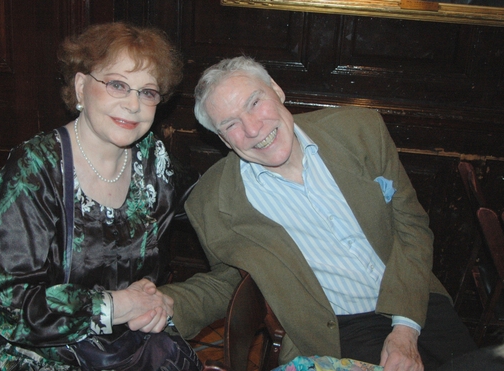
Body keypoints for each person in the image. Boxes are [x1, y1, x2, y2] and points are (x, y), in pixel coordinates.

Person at [159, 56, 477, 371]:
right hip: (337, 330)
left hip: (414, 298)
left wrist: (405, 329)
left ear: (277, 90)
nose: (253, 129)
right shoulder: (211, 202)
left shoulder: (360, 132)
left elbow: (413, 228)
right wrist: (167, 305)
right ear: (221, 138)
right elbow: (233, 282)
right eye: (230, 124)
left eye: (255, 103)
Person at [0, 22, 202, 370]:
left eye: (147, 92)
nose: (133, 104)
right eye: (117, 85)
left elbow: (205, 198)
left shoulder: (152, 157)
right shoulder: (35, 169)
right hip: (34, 354)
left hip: (122, 346)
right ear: (81, 87)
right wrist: (115, 305)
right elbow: (10, 305)